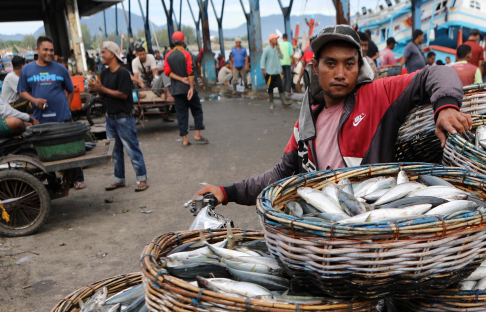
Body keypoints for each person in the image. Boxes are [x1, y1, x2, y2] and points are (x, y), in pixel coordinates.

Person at [192, 24, 470, 207]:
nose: (340, 73)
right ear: (315, 67)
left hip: (375, 222)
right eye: (330, 64)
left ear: (359, 66)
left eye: (349, 64)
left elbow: (438, 73)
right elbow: (280, 174)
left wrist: (445, 107)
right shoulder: (306, 123)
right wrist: (227, 192)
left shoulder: (379, 94)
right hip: (327, 236)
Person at [19, 36, 85, 189]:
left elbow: (70, 90)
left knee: (70, 147)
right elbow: (22, 91)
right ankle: (53, 181)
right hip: (40, 119)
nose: (49, 53)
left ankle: (77, 178)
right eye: (45, 50)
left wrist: (66, 108)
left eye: (51, 50)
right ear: (37, 50)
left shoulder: (61, 69)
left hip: (62, 117)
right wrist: (35, 101)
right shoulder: (27, 70)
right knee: (45, 152)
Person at [88, 42, 149, 192]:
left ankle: (142, 179)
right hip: (111, 118)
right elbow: (105, 95)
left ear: (112, 54)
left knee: (132, 149)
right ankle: (119, 179)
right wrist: (97, 89)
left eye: (103, 52)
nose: (101, 55)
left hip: (124, 118)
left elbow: (123, 94)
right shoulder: (104, 73)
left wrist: (102, 88)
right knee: (115, 151)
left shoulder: (123, 73)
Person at [164, 31, 208, 147]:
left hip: (176, 90)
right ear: (183, 42)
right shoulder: (186, 54)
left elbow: (167, 72)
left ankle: (184, 140)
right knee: (197, 110)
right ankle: (197, 134)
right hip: (188, 89)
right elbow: (190, 72)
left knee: (181, 114)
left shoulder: (168, 55)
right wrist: (192, 87)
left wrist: (180, 79)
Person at [262, 34, 291, 110]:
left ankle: (284, 102)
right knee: (270, 87)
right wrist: (263, 71)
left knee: (280, 87)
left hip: (278, 71)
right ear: (271, 40)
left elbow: (282, 57)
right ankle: (271, 103)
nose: (276, 40)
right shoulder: (267, 49)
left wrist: (279, 49)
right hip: (270, 72)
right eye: (275, 39)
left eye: (277, 39)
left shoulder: (276, 49)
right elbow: (262, 60)